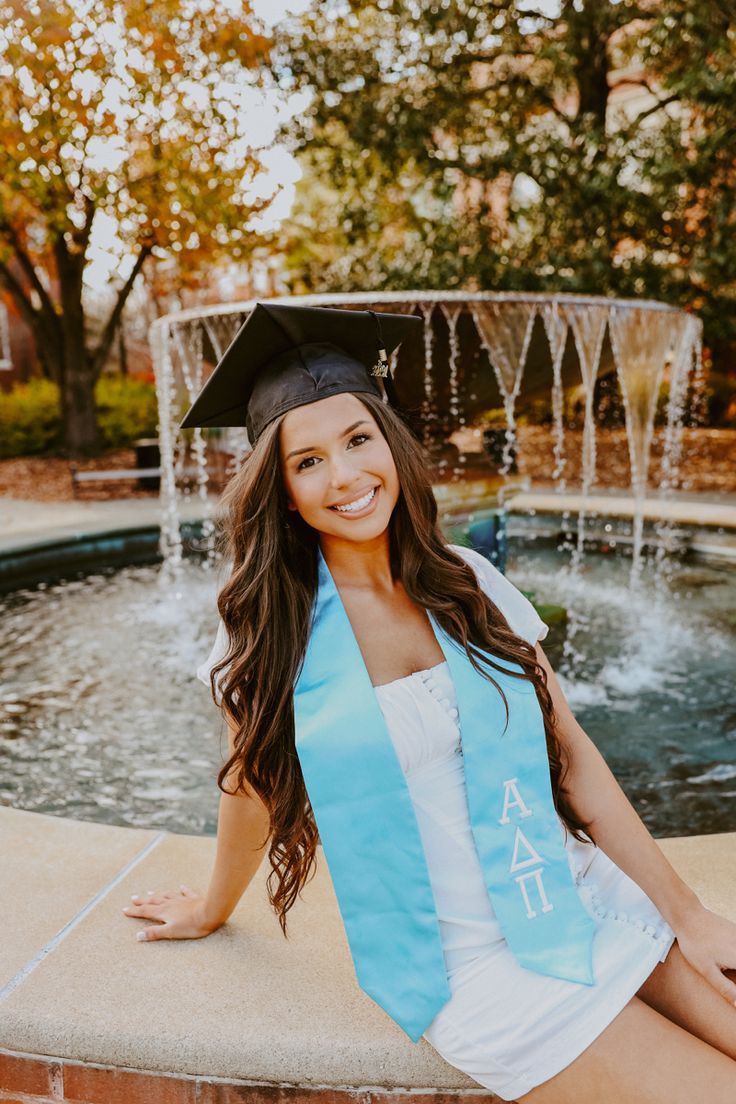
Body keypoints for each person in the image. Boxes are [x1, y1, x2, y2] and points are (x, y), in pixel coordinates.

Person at [122, 303, 736, 1102]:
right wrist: (212, 904)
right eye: (307, 462)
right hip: (470, 964)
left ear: (390, 444)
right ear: (282, 491)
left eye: (356, 440)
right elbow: (251, 787)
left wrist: (686, 915)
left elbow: (571, 751)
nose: (344, 476)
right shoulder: (268, 636)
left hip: (574, 893)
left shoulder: (465, 582)